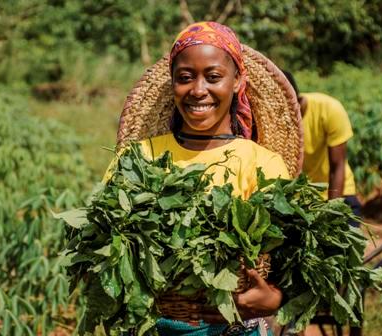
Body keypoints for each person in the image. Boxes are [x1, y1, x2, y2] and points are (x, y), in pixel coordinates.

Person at [106, 22, 303, 336]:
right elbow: (104, 244)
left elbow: (295, 265)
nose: (198, 90)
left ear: (238, 81)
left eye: (213, 77)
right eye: (185, 78)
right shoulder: (137, 159)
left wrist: (275, 299)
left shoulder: (262, 164)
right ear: (173, 83)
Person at [282, 71, 361, 226]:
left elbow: (337, 166)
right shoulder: (277, 119)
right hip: (304, 199)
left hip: (338, 192)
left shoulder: (329, 109)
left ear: (298, 101)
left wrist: (331, 213)